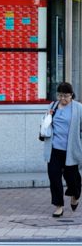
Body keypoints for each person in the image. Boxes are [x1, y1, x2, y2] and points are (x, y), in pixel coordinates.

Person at [43, 82, 82, 218]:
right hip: (54, 148)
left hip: (71, 149)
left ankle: (76, 194)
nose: (62, 99)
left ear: (71, 95)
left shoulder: (78, 108)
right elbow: (46, 121)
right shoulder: (53, 105)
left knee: (72, 178)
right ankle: (58, 205)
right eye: (60, 95)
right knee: (54, 177)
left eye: (65, 96)